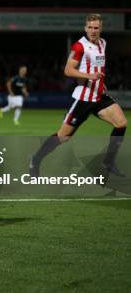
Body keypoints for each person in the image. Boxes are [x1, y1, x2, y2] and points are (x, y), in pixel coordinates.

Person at [30, 14, 127, 177]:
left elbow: (99, 69)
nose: (93, 31)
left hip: (99, 96)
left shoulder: (103, 43)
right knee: (63, 137)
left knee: (121, 123)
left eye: (96, 27)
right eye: (90, 27)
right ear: (85, 28)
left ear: (101, 28)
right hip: (83, 99)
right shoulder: (79, 46)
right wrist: (89, 76)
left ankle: (108, 162)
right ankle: (35, 159)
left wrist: (102, 85)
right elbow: (68, 70)